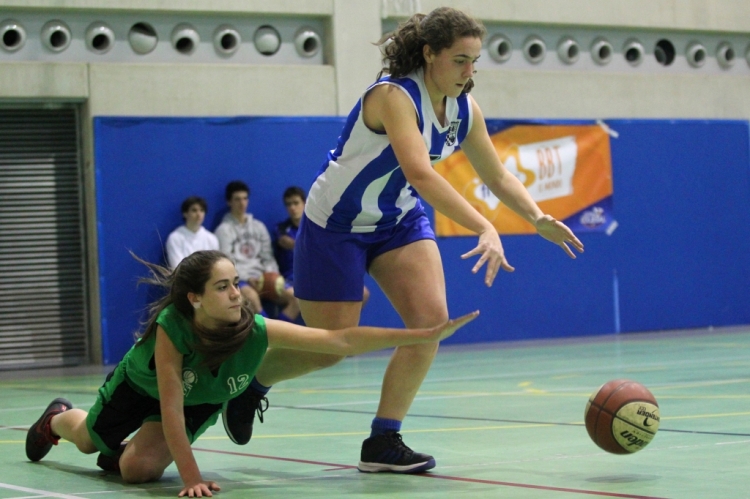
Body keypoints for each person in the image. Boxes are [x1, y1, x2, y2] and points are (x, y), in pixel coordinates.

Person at [224, 6, 584, 474]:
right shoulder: (394, 96)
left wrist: (536, 217)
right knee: (331, 347)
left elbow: (496, 175)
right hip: (336, 224)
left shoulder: (464, 108)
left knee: (431, 324)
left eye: (474, 61)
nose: (469, 72)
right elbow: (420, 172)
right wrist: (484, 226)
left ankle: (382, 440)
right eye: (459, 60)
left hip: (398, 220)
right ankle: (252, 383)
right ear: (429, 54)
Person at [24, 250, 478, 498]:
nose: (235, 293)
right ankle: (57, 417)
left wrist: (420, 334)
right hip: (143, 388)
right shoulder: (172, 330)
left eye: (236, 283)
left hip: (200, 400)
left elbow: (338, 340)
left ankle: (129, 451)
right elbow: (170, 408)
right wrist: (192, 478)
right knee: (88, 441)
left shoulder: (256, 330)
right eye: (222, 287)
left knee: (135, 471)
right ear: (196, 299)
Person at [274, 186, 369, 316]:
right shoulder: (282, 229)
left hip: (321, 274)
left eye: (296, 203)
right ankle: (275, 329)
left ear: (305, 203)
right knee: (298, 300)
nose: (292, 207)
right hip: (294, 277)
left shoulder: (318, 226)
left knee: (362, 293)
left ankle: (342, 326)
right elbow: (287, 242)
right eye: (288, 204)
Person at [214, 180, 295, 320]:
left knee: (297, 298)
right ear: (229, 202)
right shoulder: (223, 230)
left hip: (264, 276)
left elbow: (268, 256)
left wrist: (271, 276)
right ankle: (269, 331)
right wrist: (248, 278)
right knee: (252, 298)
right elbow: (227, 264)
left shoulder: (258, 226)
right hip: (240, 280)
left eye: (245, 198)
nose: (242, 203)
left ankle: (277, 329)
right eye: (237, 199)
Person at [165, 196, 219, 269]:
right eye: (194, 210)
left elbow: (215, 266)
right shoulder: (175, 238)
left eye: (202, 210)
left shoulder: (211, 238)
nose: (199, 214)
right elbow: (177, 267)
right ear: (185, 213)